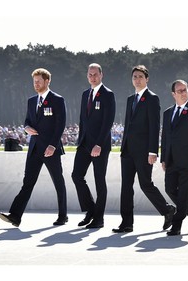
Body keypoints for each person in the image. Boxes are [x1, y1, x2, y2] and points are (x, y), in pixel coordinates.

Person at [0, 68, 68, 227]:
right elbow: (27, 121)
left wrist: (52, 145)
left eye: (38, 81)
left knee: (58, 182)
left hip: (51, 149)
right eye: (34, 81)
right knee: (28, 182)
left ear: (47, 81)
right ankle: (15, 216)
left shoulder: (57, 100)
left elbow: (60, 124)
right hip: (35, 148)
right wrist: (26, 128)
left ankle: (63, 216)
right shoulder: (31, 101)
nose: (35, 84)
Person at [112, 65, 175, 233]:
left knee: (145, 184)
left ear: (147, 79)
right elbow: (128, 125)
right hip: (127, 151)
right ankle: (126, 223)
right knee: (126, 187)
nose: (137, 79)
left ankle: (167, 210)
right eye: (134, 77)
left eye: (140, 76)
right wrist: (123, 146)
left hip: (144, 151)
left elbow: (154, 126)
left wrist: (153, 151)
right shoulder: (129, 100)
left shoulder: (152, 99)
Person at [71, 63, 116, 229]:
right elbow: (83, 119)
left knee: (99, 181)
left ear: (101, 75)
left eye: (95, 74)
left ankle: (99, 219)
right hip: (84, 144)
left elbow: (107, 122)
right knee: (76, 176)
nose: (92, 77)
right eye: (90, 74)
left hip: (100, 145)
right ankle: (91, 210)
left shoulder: (108, 95)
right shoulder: (85, 94)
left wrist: (98, 144)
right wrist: (80, 140)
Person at [160, 79, 188, 236]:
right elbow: (165, 137)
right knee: (169, 188)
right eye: (179, 91)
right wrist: (163, 158)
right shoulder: (167, 113)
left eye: (185, 89)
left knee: (184, 192)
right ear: (173, 94)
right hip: (171, 159)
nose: (183, 93)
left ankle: (176, 225)